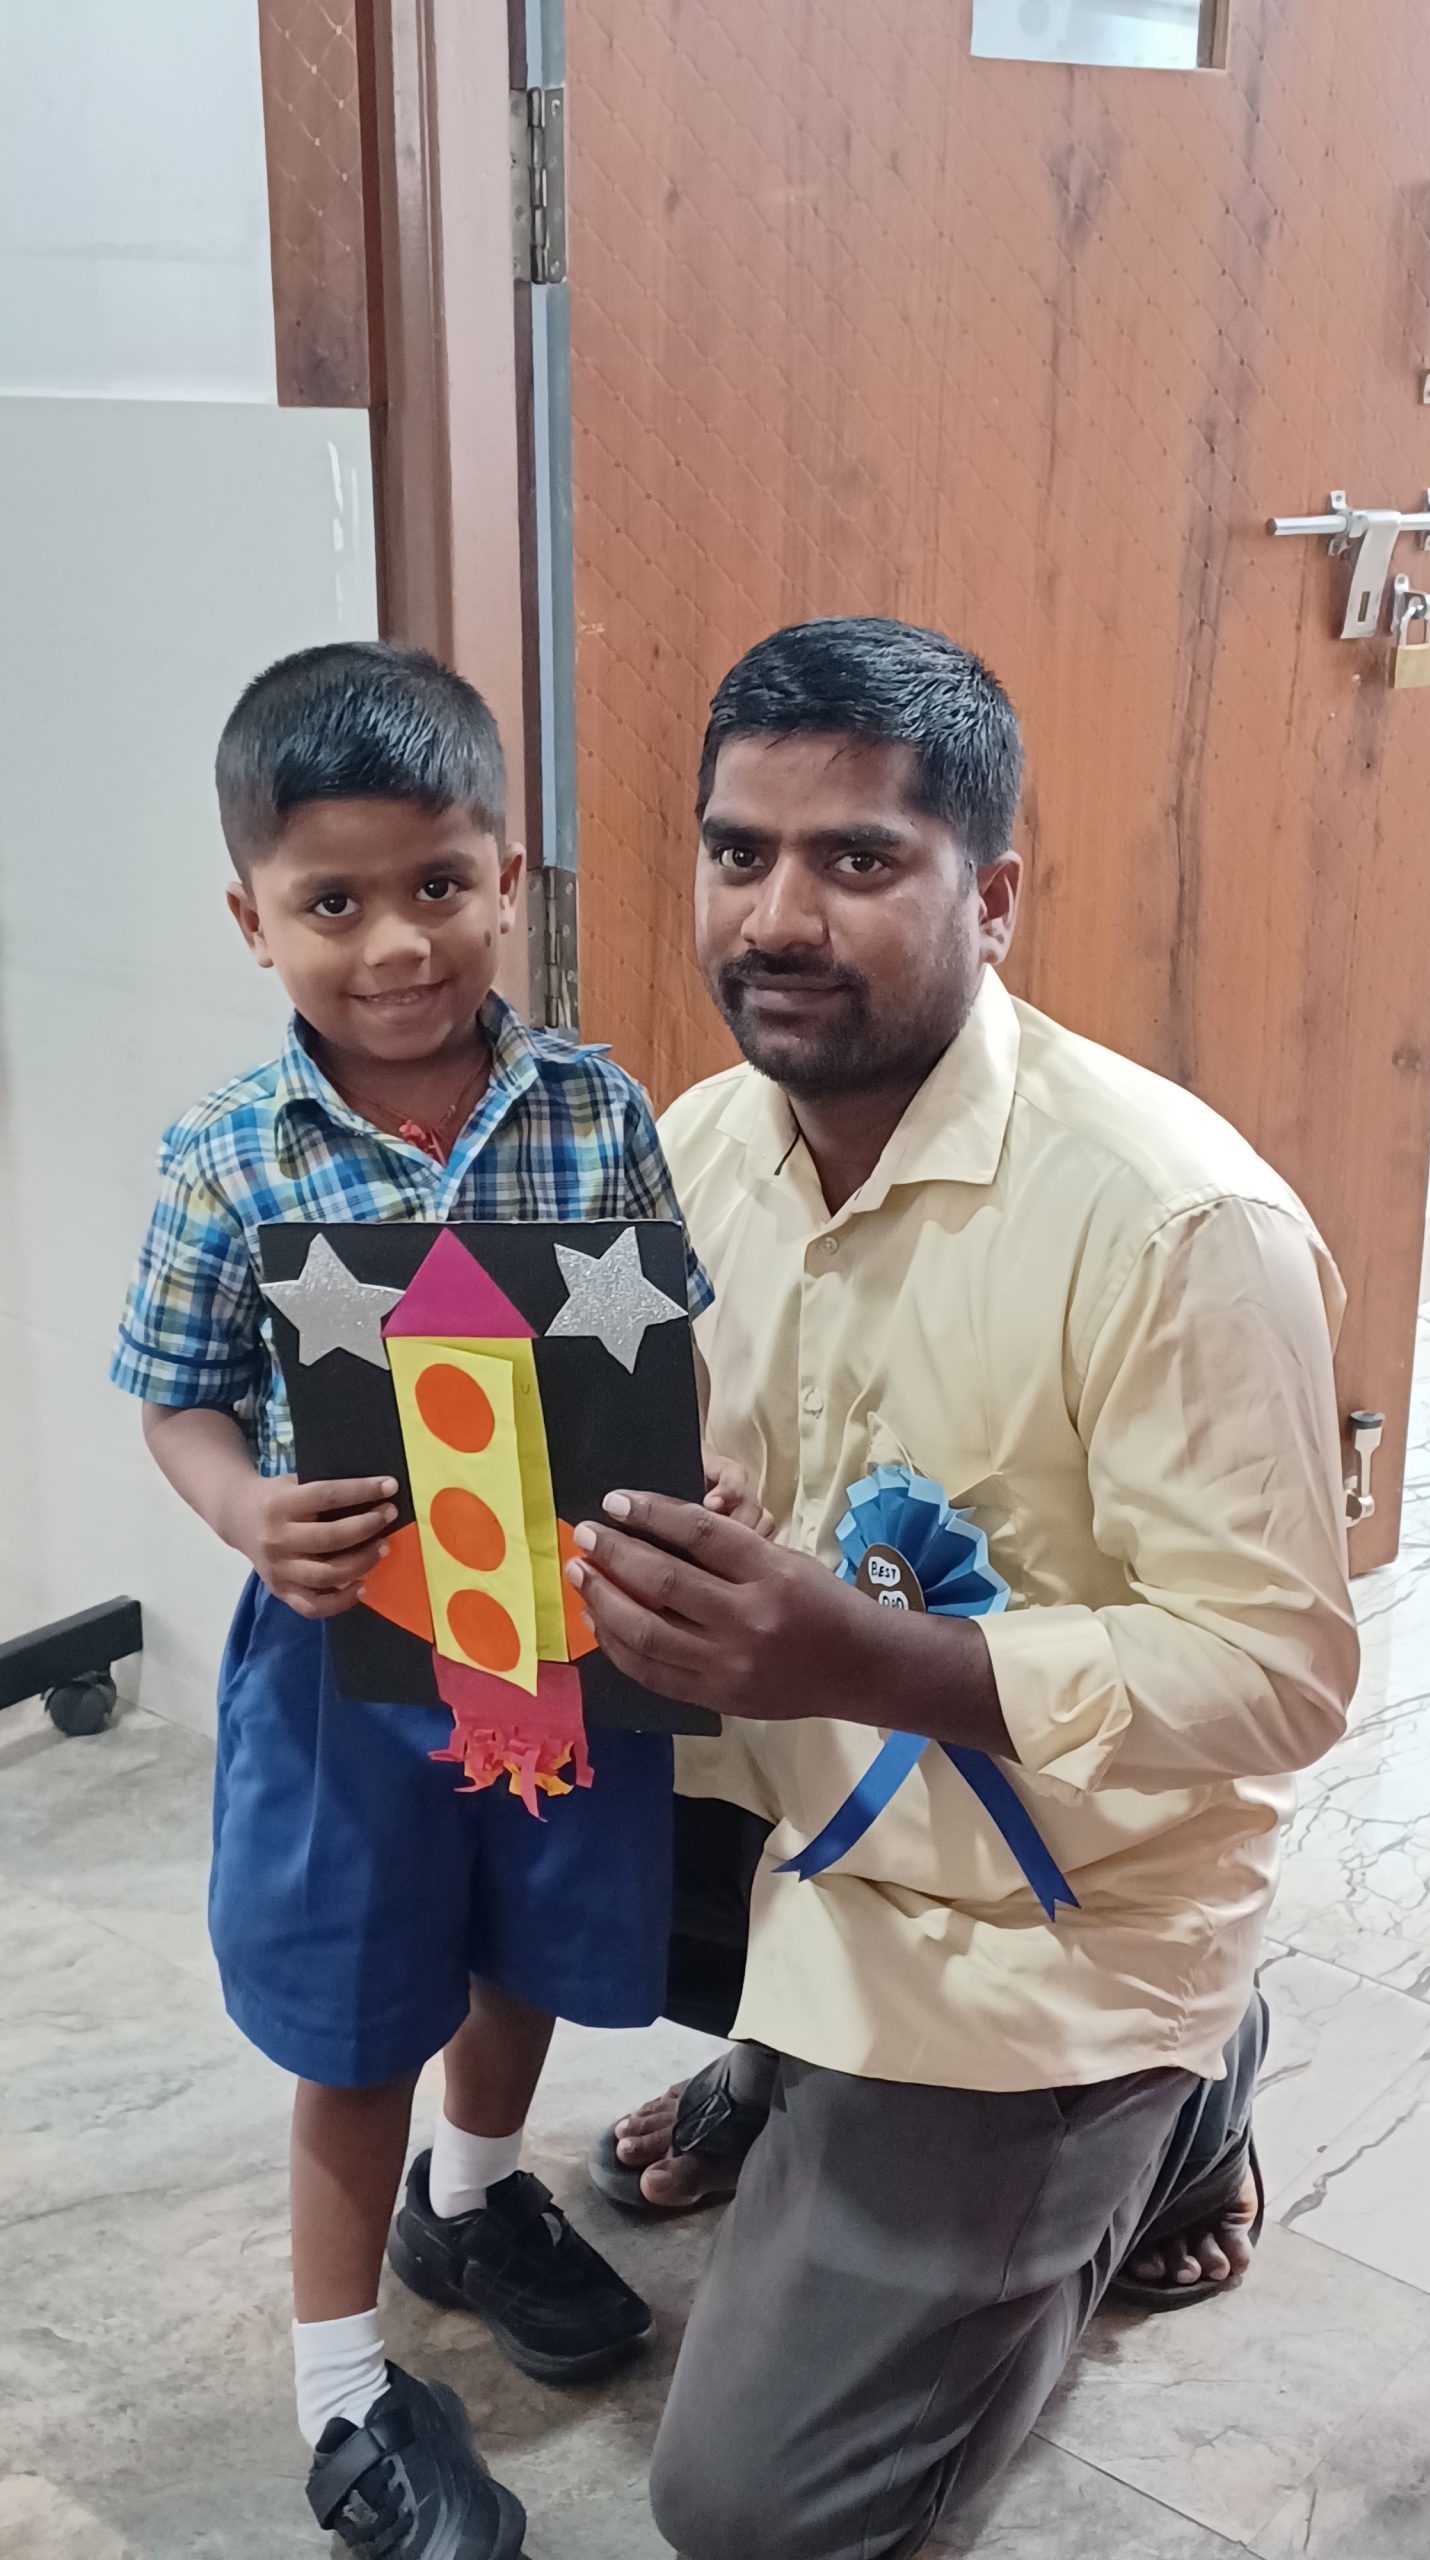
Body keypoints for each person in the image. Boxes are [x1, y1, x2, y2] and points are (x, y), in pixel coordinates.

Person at [565, 618, 1360, 2560]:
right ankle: (808, 2053)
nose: (778, 916)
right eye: (740, 852)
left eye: (859, 858)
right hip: (796, 1815)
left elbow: (1278, 1675)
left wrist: (871, 1652)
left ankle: (1172, 2084)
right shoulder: (694, 1146)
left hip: (1043, 1910)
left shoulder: (1175, 1221)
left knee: (757, 2510)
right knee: (459, 1837)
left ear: (991, 896)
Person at [110, 641, 741, 2560]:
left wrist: (705, 1477)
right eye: (333, 903)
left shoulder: (595, 1107)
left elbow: (670, 1347)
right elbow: (175, 1396)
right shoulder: (229, 1153)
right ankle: (339, 2394)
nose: (395, 944)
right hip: (348, 1667)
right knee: (358, 2004)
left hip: (559, 1629)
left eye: (439, 885)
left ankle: (468, 2203)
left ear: (507, 880)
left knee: (530, 1938)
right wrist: (245, 1511)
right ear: (253, 918)